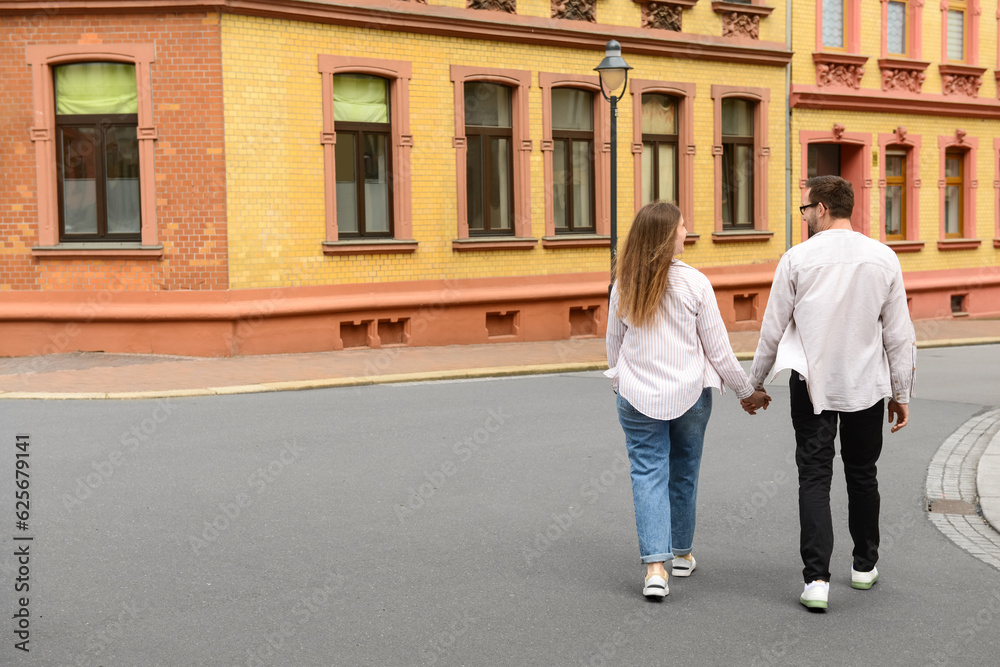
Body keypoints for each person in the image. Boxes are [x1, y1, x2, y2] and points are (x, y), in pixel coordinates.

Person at [746, 175, 916, 611]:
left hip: (811, 385)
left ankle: (816, 580)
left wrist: (756, 383)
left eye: (805, 209)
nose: (803, 217)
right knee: (863, 474)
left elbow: (773, 328)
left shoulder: (797, 259)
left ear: (821, 208)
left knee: (815, 476)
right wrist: (902, 392)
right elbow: (899, 334)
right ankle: (863, 566)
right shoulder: (884, 258)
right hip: (866, 387)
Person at [606, 201, 770, 599]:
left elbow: (614, 345)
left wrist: (621, 383)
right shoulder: (695, 283)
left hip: (636, 394)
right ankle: (682, 554)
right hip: (691, 395)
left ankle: (655, 570)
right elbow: (718, 351)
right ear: (665, 236)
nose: (686, 233)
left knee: (647, 474)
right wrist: (748, 392)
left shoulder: (624, 284)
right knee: (684, 472)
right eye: (681, 227)